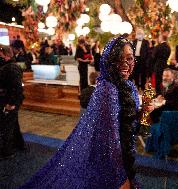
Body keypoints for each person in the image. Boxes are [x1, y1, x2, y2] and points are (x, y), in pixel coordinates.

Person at [19, 34, 141, 189]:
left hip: (124, 152)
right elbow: (110, 140)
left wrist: (143, 114)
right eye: (119, 58)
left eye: (129, 58)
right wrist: (120, 175)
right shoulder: (108, 90)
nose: (125, 64)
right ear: (109, 62)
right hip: (111, 161)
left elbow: (129, 122)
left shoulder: (128, 85)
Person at [0, 45, 25, 159]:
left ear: (6, 54)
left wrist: (11, 103)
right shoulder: (7, 66)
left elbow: (17, 88)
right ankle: (19, 145)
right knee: (12, 124)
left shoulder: (11, 68)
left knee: (7, 126)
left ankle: (7, 151)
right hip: (9, 100)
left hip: (10, 101)